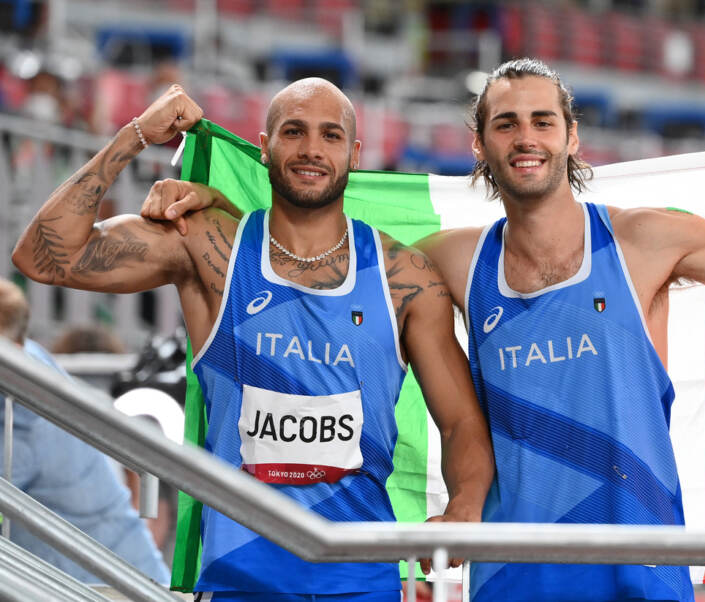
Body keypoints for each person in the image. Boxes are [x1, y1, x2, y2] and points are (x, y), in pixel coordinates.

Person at [137, 58, 705, 602]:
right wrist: (218, 205)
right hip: (512, 575)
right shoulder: (451, 260)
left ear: (570, 137)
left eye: (541, 120)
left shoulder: (645, 242)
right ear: (480, 146)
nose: (526, 137)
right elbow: (318, 251)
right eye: (505, 123)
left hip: (638, 571)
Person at [11, 79, 494, 601]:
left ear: (354, 155)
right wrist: (136, 135)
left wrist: (464, 507)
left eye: (330, 135)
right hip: (241, 580)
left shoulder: (404, 277)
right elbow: (43, 255)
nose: (311, 149)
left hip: (358, 580)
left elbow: (461, 421)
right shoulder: (207, 248)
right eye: (294, 132)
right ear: (264, 146)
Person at [0, 278, 170, 585]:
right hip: (112, 578)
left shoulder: (24, 411)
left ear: (12, 350)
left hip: (111, 589)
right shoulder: (28, 364)